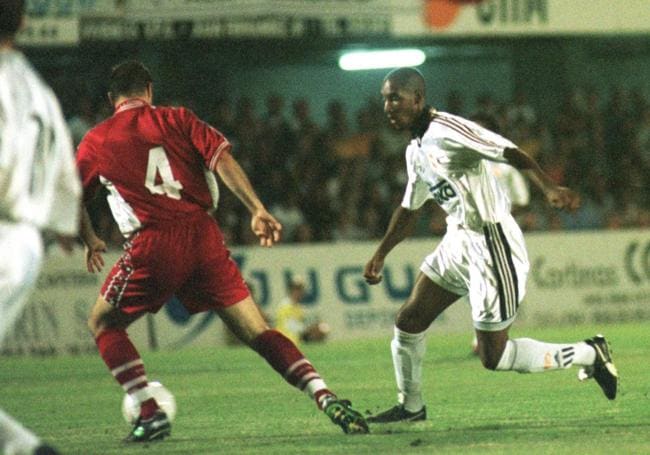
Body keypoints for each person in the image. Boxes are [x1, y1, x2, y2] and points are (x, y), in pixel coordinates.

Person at [76, 60, 368, 442]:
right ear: (149, 90)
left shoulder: (97, 139)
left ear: (111, 98)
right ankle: (324, 395)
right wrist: (257, 209)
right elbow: (222, 159)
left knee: (104, 322)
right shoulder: (179, 118)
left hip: (153, 242)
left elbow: (72, 196)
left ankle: (148, 411)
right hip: (203, 235)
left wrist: (90, 237)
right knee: (258, 330)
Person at [363, 67, 619, 424]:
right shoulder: (415, 149)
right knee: (408, 320)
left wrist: (548, 187)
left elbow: (508, 150)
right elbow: (410, 209)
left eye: (395, 98)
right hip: (458, 240)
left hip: (491, 241)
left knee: (493, 357)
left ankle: (589, 353)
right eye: (385, 99)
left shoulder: (448, 130)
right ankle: (410, 407)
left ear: (418, 99)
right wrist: (381, 253)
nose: (388, 106)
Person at [0, 2, 81, 454]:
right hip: (26, 238)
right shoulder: (37, 88)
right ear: (24, 23)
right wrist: (65, 227)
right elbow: (66, 179)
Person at [275, 277, 330, 345]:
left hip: (296, 342)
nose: (300, 292)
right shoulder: (284, 306)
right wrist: (307, 329)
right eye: (297, 289)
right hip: (285, 342)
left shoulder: (298, 307)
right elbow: (289, 325)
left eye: (301, 289)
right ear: (291, 290)